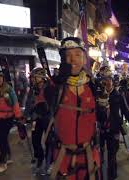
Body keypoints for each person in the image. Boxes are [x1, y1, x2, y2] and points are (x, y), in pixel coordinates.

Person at [51, 37, 100, 180]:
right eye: (68, 55)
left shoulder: (92, 86)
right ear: (62, 60)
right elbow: (44, 107)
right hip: (64, 157)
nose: (73, 59)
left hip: (88, 155)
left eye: (78, 55)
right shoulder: (55, 87)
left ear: (85, 59)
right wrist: (59, 80)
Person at [97, 72, 129, 180]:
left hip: (114, 128)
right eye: (105, 80)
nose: (107, 82)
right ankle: (100, 175)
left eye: (109, 80)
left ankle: (112, 176)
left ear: (112, 82)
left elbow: (126, 110)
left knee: (112, 155)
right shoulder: (98, 95)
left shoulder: (118, 95)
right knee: (100, 154)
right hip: (101, 129)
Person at [26, 67, 55, 175]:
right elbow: (28, 103)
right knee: (35, 140)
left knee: (49, 141)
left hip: (48, 118)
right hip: (37, 117)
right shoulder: (33, 89)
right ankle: (39, 158)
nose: (32, 79)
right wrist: (25, 116)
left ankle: (50, 162)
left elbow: (54, 103)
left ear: (41, 77)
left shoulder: (50, 88)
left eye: (34, 77)